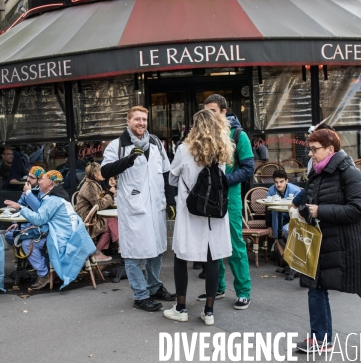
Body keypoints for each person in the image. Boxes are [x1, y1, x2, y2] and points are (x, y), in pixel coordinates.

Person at [295, 129, 361, 353]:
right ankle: (321, 339)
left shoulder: (349, 172)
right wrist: (304, 211)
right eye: (309, 149)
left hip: (350, 243)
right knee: (315, 286)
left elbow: (359, 208)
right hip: (321, 242)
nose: (310, 154)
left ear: (331, 149)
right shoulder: (316, 172)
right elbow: (308, 201)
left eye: (314, 149)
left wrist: (321, 211)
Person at [101, 106, 176, 312]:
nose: (141, 123)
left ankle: (153, 286)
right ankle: (140, 295)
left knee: (157, 251)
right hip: (134, 208)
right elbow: (105, 170)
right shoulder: (117, 146)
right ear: (128, 121)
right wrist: (128, 160)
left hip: (156, 206)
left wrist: (170, 201)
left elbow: (166, 173)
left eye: (144, 119)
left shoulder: (156, 144)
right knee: (133, 254)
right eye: (137, 119)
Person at [163, 109, 233, 325]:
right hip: (214, 213)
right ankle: (209, 312)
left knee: (181, 257)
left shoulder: (184, 149)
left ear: (194, 126)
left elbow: (172, 179)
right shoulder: (222, 150)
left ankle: (181, 308)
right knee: (212, 260)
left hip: (190, 211)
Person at [200, 94, 254, 310]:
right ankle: (217, 288)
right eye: (206, 111)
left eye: (212, 110)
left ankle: (243, 291)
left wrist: (223, 181)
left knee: (235, 244)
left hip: (230, 197)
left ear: (224, 111)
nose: (208, 115)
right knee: (211, 245)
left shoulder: (239, 135)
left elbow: (249, 169)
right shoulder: (203, 135)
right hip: (209, 197)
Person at [10, 170, 95, 290]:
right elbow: (42, 214)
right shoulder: (57, 196)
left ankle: (44, 274)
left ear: (50, 183)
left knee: (27, 243)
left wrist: (20, 207)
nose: (39, 181)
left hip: (63, 237)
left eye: (42, 179)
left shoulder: (52, 199)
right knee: (30, 237)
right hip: (72, 234)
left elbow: (39, 219)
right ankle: (48, 270)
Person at [3, 166, 49, 289]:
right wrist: (15, 221)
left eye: (31, 177)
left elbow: (39, 210)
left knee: (25, 242)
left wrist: (29, 193)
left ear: (40, 180)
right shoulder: (27, 189)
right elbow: (19, 206)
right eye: (27, 176)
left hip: (40, 227)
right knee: (9, 235)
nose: (27, 179)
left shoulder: (43, 191)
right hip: (26, 224)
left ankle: (42, 271)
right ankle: (30, 262)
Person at [74, 162, 115, 262]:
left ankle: (102, 251)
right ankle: (99, 252)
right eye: (101, 171)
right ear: (95, 174)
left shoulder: (93, 184)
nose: (103, 173)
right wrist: (110, 194)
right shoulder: (89, 186)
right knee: (110, 223)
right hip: (86, 218)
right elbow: (99, 205)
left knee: (111, 221)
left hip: (91, 215)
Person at [266, 169, 301, 240]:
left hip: (292, 215)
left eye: (281, 181)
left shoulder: (295, 190)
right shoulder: (271, 190)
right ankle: (277, 238)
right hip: (277, 216)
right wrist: (269, 226)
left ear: (286, 181)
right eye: (276, 182)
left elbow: (299, 209)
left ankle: (278, 241)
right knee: (274, 209)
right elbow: (267, 209)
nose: (278, 185)